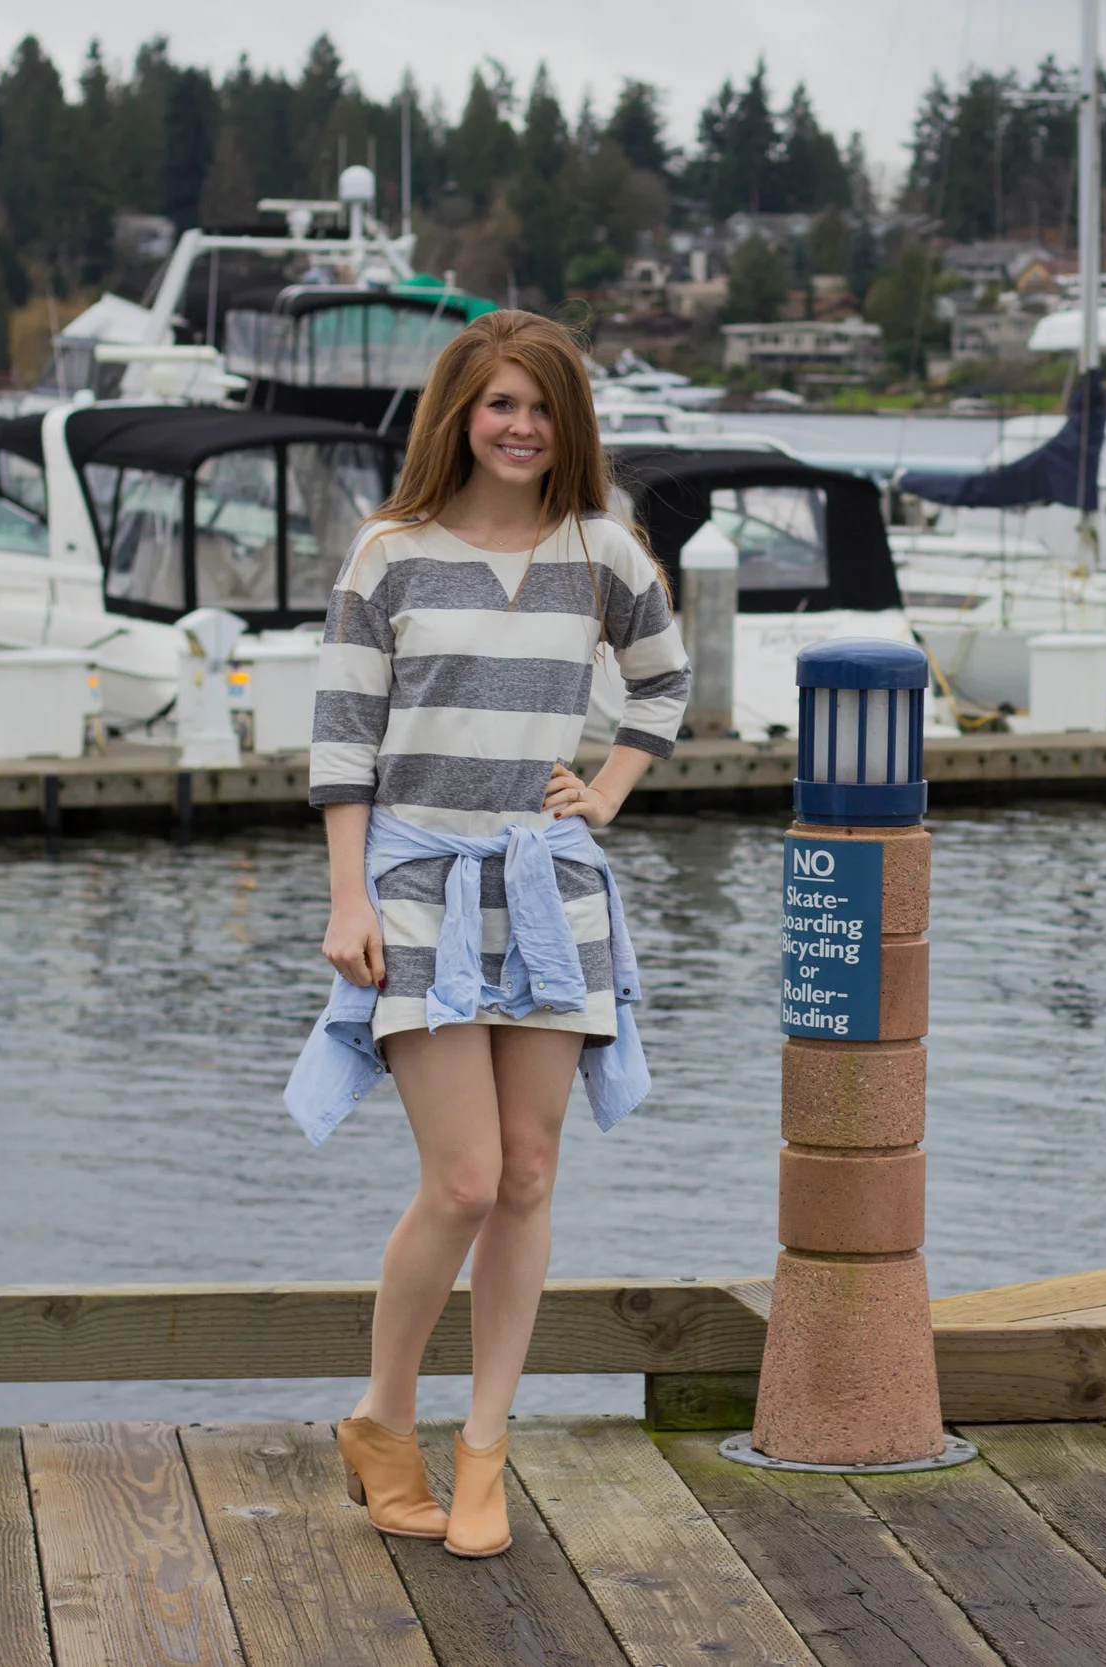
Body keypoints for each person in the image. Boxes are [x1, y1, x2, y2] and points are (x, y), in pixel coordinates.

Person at [306, 310, 688, 1557]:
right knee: (463, 1177)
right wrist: (347, 897)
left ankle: (485, 1446)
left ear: (568, 421)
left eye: (541, 405)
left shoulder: (602, 552)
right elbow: (341, 742)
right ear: (460, 413)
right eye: (499, 403)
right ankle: (383, 1417)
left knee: (529, 1173)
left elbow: (665, 681)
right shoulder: (391, 553)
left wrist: (610, 788)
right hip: (417, 886)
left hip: (546, 892)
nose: (520, 426)